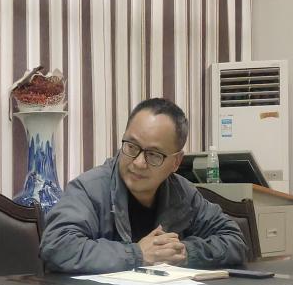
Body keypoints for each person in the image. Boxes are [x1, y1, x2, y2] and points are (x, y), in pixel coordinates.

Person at [40, 98, 246, 273]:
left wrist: (184, 252)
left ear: (176, 162)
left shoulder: (183, 193)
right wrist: (138, 255)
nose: (138, 163)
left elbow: (234, 240)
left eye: (153, 155)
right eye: (131, 147)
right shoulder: (89, 189)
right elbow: (57, 245)